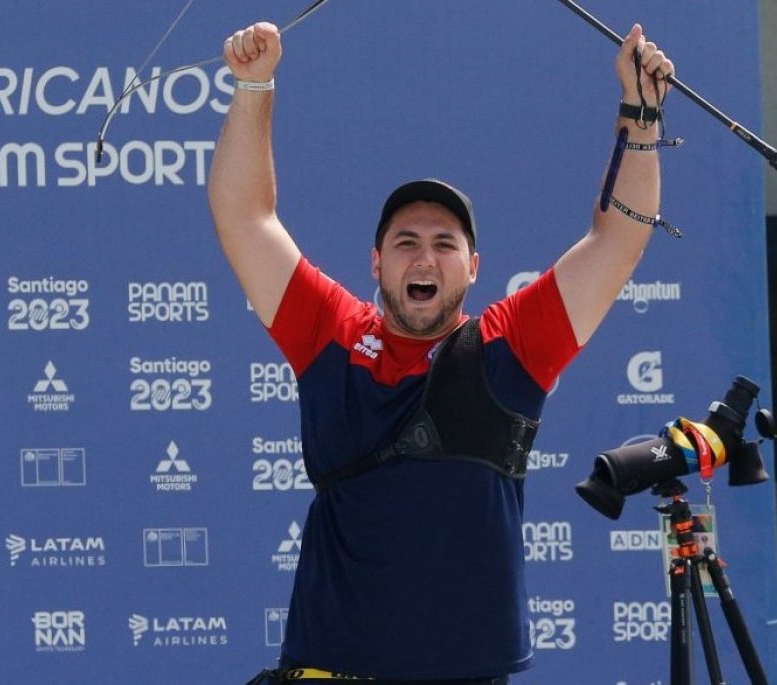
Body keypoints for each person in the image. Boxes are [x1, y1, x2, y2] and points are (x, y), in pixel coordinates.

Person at [210, 19, 674, 685]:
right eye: (405, 241)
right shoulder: (330, 331)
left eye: (444, 242)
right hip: (329, 667)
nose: (424, 256)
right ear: (376, 261)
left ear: (474, 266)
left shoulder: (508, 346)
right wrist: (254, 83)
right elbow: (244, 215)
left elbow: (616, 242)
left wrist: (641, 112)